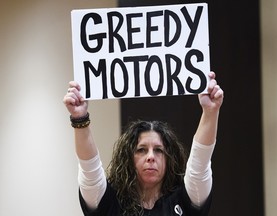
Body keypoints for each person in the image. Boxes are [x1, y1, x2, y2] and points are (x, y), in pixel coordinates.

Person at [63, 71, 224, 216]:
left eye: (159, 150)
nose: (151, 157)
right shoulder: (109, 202)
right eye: (141, 150)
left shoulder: (186, 199)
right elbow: (89, 168)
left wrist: (210, 112)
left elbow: (200, 163)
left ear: (169, 158)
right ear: (128, 157)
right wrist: (79, 119)